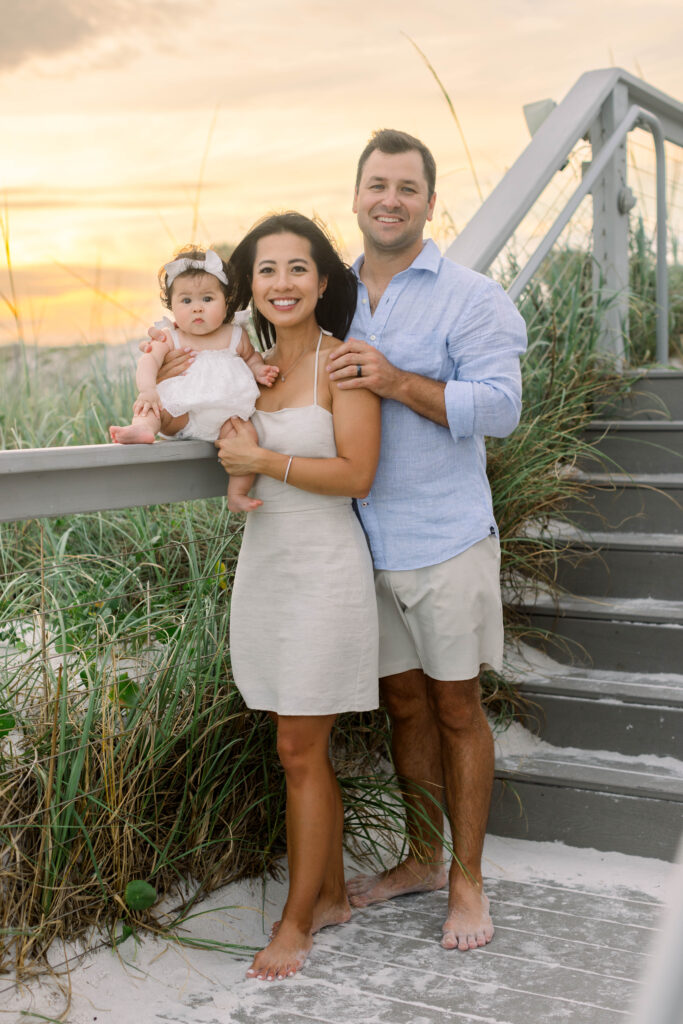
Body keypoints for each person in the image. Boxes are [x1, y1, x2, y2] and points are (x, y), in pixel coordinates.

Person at [322, 129, 527, 952]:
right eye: (376, 184)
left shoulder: (472, 297)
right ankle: (420, 858)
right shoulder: (330, 292)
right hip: (360, 542)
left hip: (445, 538)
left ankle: (468, 883)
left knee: (454, 704)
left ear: (430, 203)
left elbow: (503, 410)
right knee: (404, 704)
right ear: (356, 194)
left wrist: (397, 381)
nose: (389, 199)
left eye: (406, 187)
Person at [215, 213, 381, 980]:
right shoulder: (248, 372)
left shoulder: (343, 365)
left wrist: (259, 459)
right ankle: (335, 895)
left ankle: (296, 921)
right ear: (248, 287)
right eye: (266, 270)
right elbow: (179, 397)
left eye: (297, 269)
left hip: (323, 571)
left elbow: (356, 476)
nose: (281, 283)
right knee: (301, 748)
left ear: (322, 282)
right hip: (268, 569)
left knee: (297, 748)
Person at [109, 246, 279, 512]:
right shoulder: (170, 336)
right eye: (186, 301)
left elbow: (252, 358)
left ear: (226, 302)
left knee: (246, 439)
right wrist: (147, 390)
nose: (197, 309)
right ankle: (143, 429)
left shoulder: (235, 336)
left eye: (207, 299)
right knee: (155, 410)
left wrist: (259, 371)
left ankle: (237, 493)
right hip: (181, 413)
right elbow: (148, 361)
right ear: (172, 306)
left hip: (226, 419)